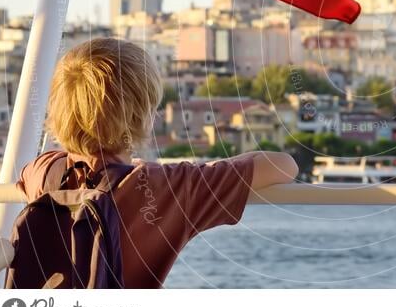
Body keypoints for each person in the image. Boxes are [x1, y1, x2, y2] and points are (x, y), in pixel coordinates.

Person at [16, 37, 298, 288]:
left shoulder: (45, 171)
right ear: (144, 118)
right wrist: (206, 170)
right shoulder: (167, 186)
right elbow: (283, 165)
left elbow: (28, 174)